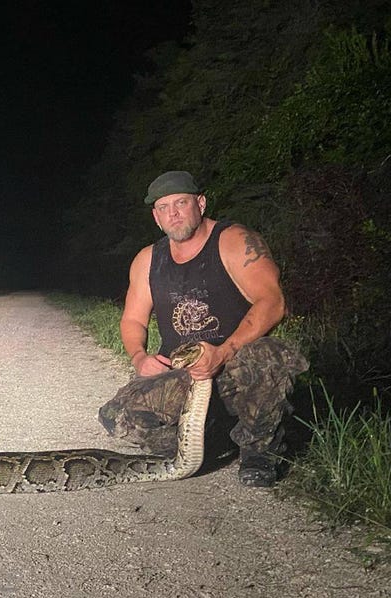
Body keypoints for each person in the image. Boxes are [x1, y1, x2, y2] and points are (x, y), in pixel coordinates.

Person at [98, 171, 308, 487]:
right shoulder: (147, 260)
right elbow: (133, 321)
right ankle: (212, 436)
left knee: (272, 356)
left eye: (181, 203)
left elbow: (274, 302)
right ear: (156, 217)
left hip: (235, 367)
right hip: (183, 375)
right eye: (164, 207)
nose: (174, 213)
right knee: (119, 416)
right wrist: (140, 357)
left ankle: (259, 452)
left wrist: (222, 352)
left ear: (200, 203)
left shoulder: (235, 241)